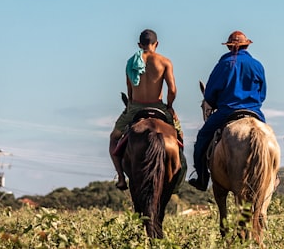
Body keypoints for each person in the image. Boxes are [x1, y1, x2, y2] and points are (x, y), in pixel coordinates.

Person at [188, 30, 266, 191]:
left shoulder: (223, 65)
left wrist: (216, 102)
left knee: (202, 138)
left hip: (227, 111)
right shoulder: (257, 65)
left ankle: (202, 177)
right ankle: (273, 175)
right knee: (267, 137)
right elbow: (262, 93)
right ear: (246, 46)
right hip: (254, 112)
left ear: (229, 48)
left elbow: (209, 94)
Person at [109, 29, 183, 190]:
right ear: (156, 44)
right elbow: (172, 90)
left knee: (114, 138)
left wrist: (130, 104)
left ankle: (121, 178)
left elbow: (129, 88)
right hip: (158, 105)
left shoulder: (131, 62)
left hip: (135, 107)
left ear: (139, 44)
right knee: (179, 135)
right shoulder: (165, 62)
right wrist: (169, 107)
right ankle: (178, 175)